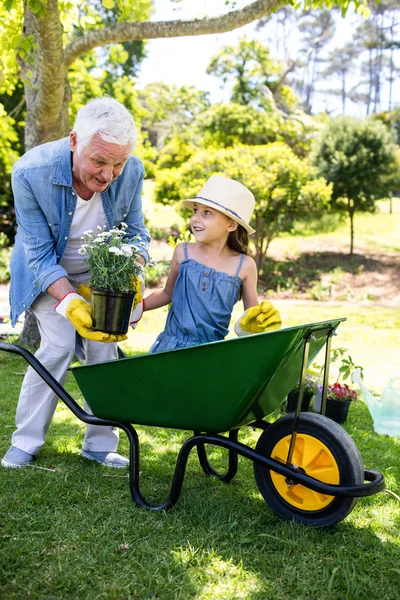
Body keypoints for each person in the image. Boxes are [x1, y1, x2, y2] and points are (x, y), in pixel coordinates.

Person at [2, 97, 150, 470]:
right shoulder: (29, 172)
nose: (108, 175)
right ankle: (26, 441)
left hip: (102, 274)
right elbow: (37, 255)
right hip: (46, 273)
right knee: (58, 346)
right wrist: (68, 300)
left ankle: (100, 444)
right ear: (73, 142)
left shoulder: (131, 172)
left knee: (104, 350)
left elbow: (136, 233)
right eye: (99, 161)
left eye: (118, 163)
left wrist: (133, 273)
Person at [137, 175, 280, 353]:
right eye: (196, 210)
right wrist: (134, 308)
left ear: (231, 225)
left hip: (212, 355)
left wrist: (261, 323)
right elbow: (167, 293)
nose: (196, 218)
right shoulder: (183, 252)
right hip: (169, 350)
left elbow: (250, 319)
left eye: (207, 213)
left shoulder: (244, 266)